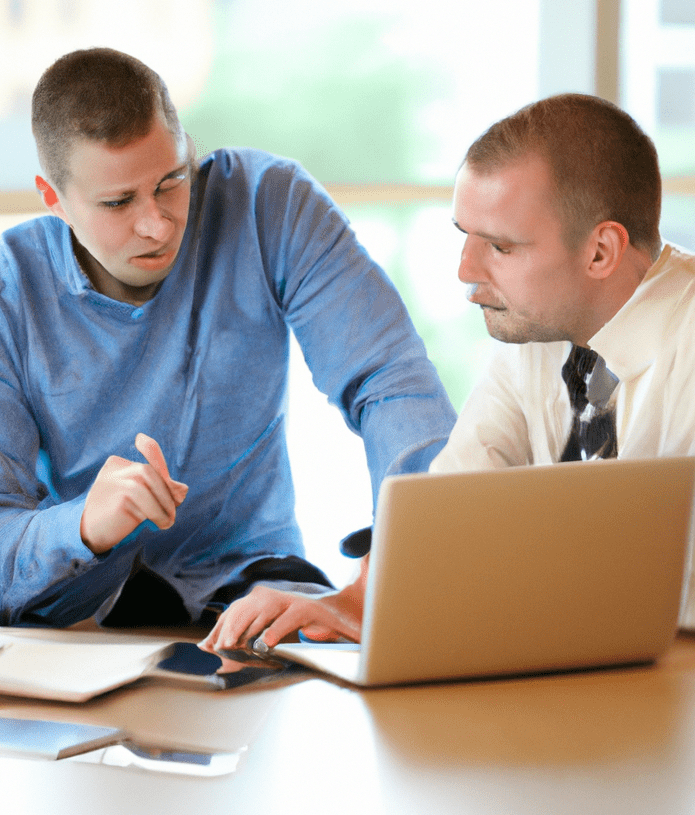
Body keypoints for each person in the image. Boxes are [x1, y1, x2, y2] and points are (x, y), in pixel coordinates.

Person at [0, 46, 455, 628]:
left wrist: (417, 561)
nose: (157, 224)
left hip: (254, 594)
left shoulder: (269, 206)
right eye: (118, 202)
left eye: (171, 181)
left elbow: (389, 381)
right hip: (78, 617)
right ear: (52, 198)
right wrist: (81, 525)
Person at [201, 91, 695, 654]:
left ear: (601, 252)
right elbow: (454, 523)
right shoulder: (536, 331)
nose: (465, 270)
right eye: (465, 235)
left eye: (500, 247)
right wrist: (349, 604)